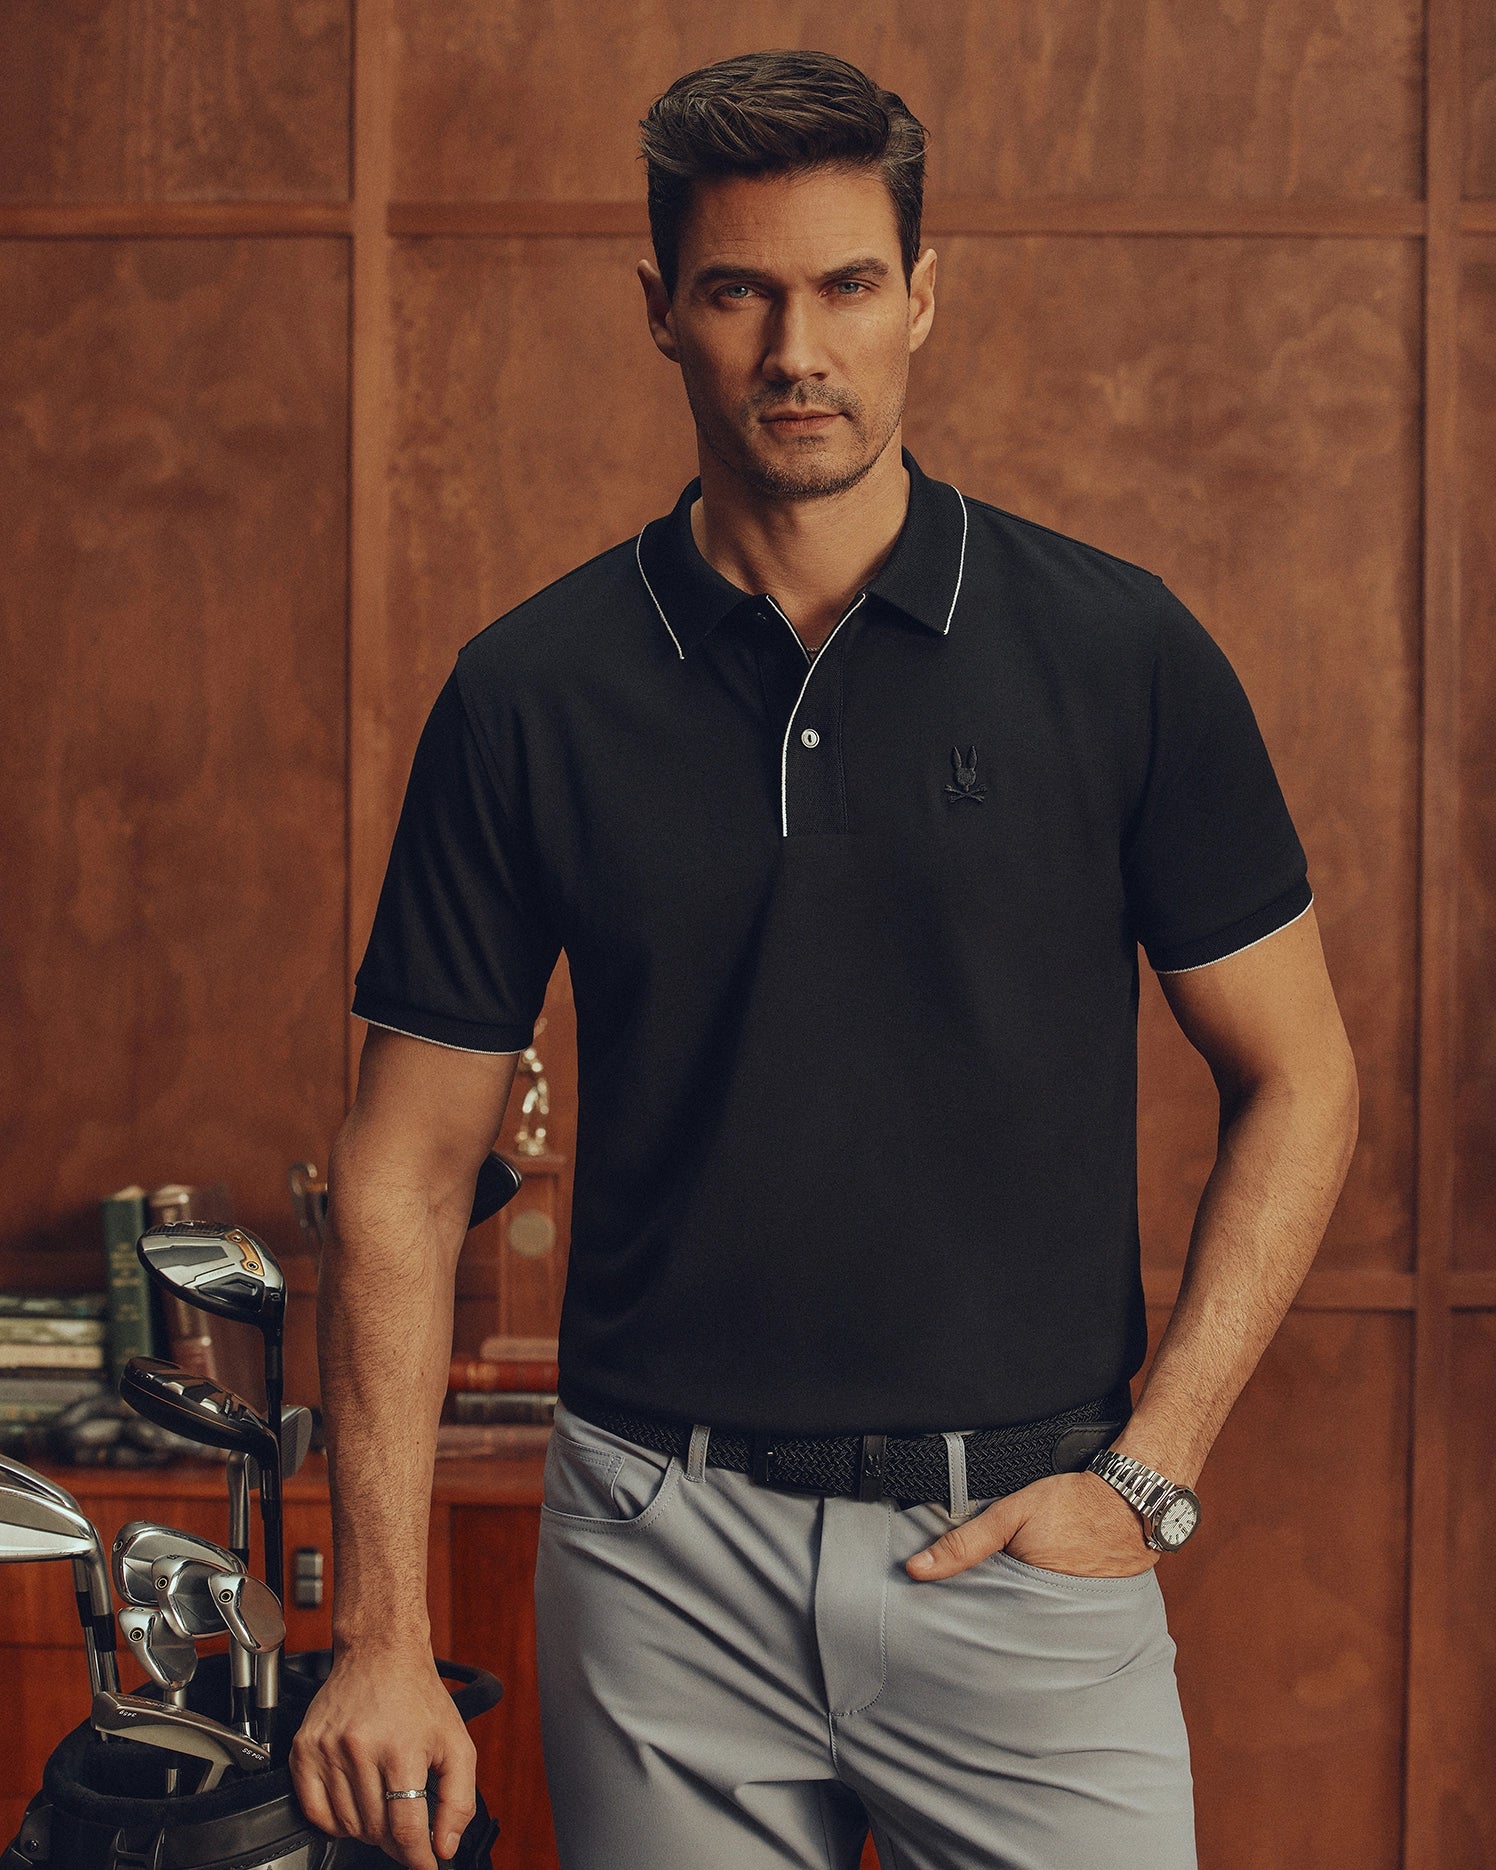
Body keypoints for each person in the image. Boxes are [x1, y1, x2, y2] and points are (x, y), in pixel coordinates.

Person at [290, 47, 1359, 1870]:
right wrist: (382, 1628)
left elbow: (1303, 1074)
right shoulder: (529, 695)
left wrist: (1151, 1470)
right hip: (660, 1558)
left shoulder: (1120, 654)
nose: (799, 349)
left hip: (1022, 1546)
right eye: (740, 292)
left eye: (849, 284)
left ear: (922, 295)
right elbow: (402, 1166)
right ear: (659, 307)